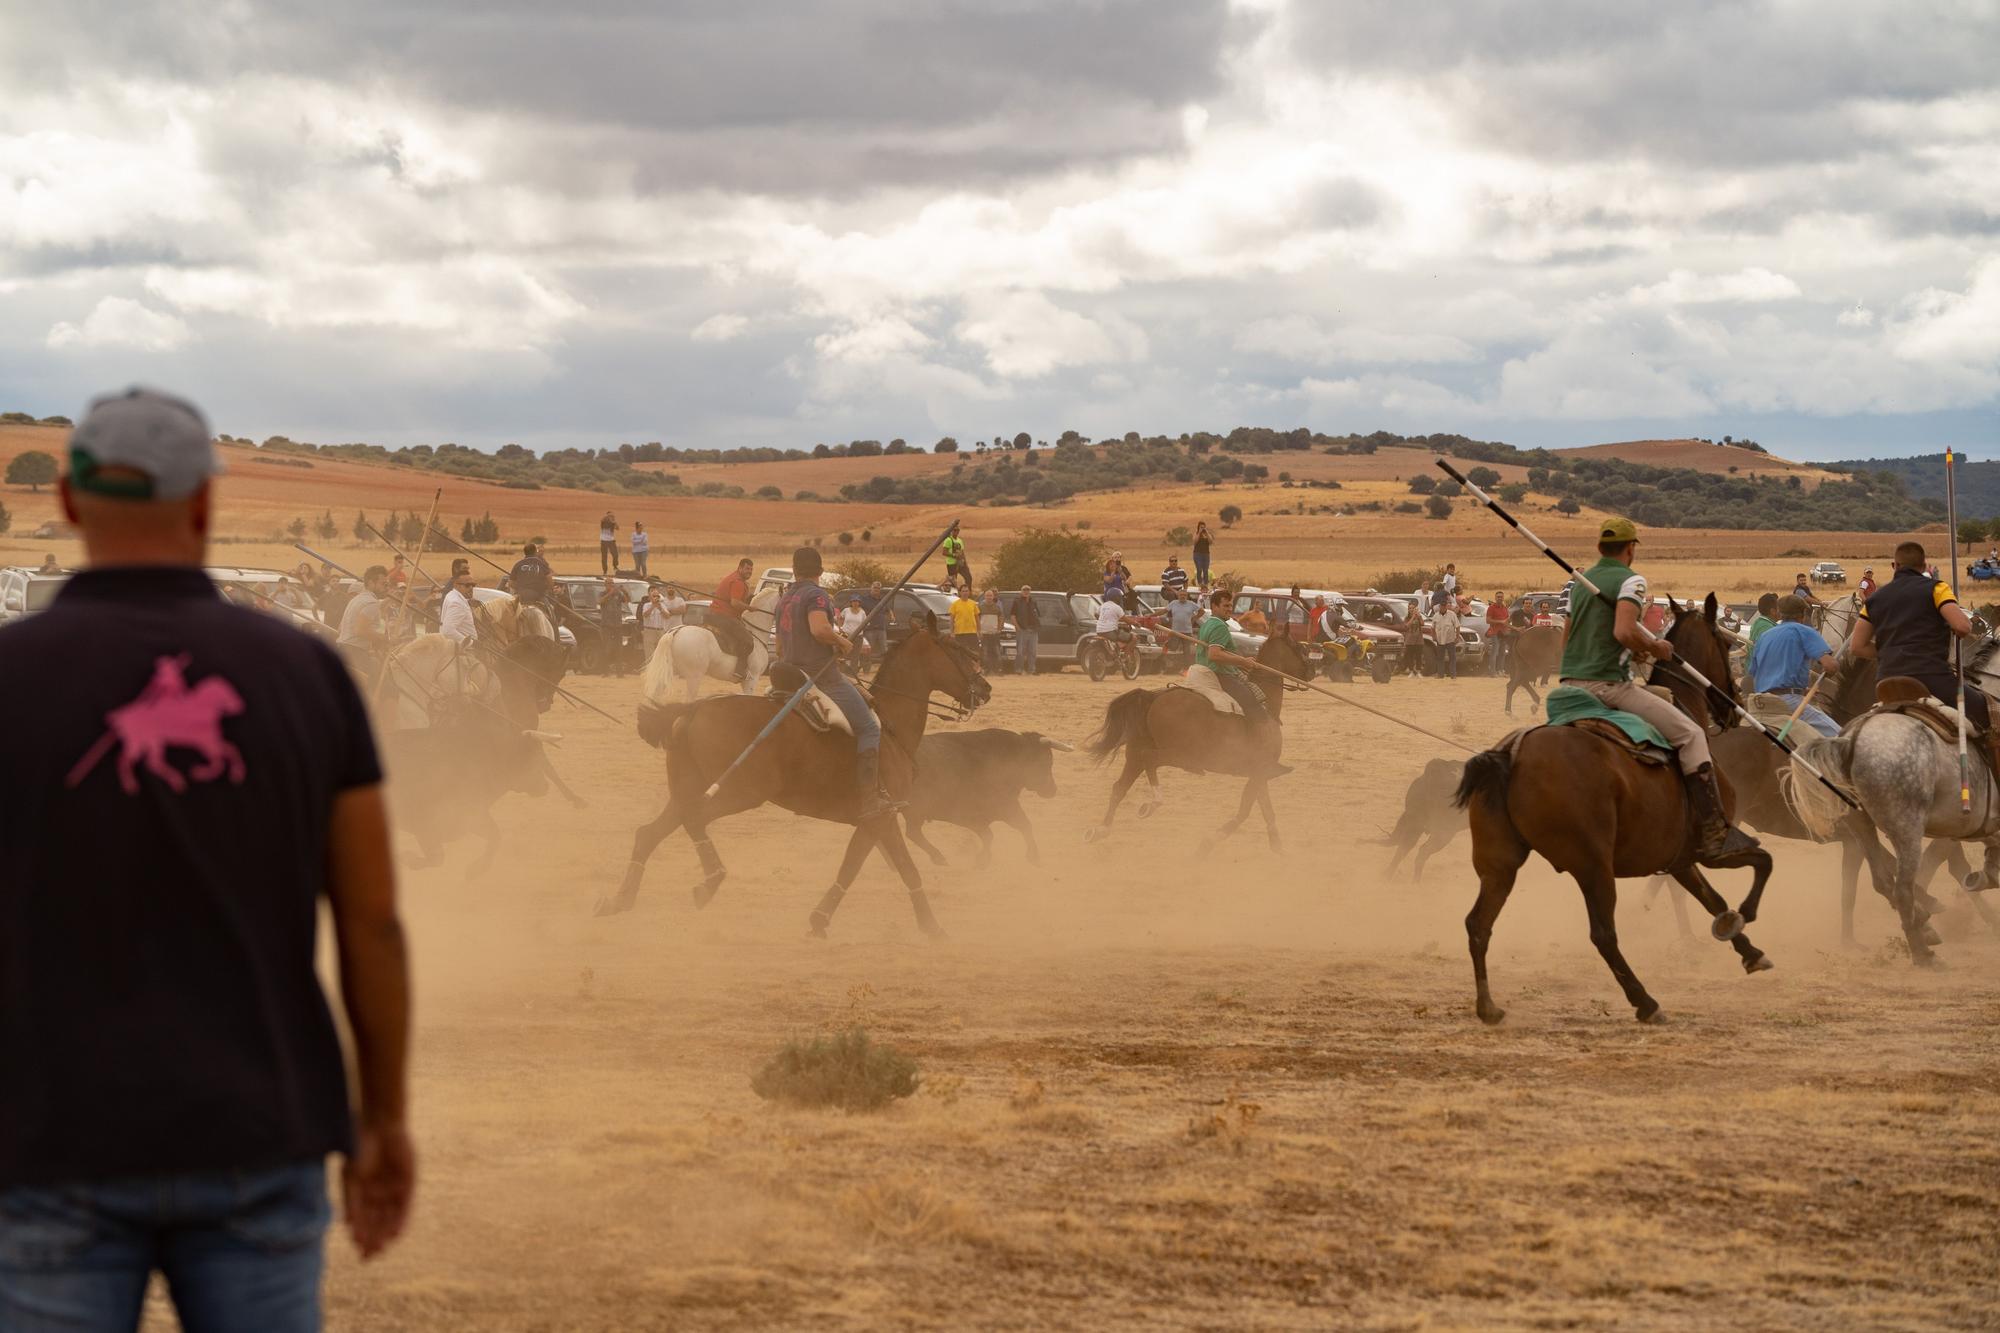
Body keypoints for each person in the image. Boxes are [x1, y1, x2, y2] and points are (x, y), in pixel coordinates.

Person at [0, 387, 413, 1328]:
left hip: (47, 1129)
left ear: (67, 501)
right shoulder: (304, 672)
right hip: (255, 1130)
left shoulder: (8, 675)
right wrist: (382, 1117)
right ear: (203, 502)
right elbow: (371, 920)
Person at [1559, 516, 1758, 861]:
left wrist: (1629, 648)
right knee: (1692, 734)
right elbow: (1623, 630)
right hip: (1609, 687)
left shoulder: (1580, 582)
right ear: (1631, 548)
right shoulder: (1631, 580)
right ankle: (1713, 830)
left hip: (1568, 688)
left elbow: (1569, 639)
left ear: (1598, 548)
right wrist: (1656, 648)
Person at [776, 546, 895, 817]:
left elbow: (782, 648)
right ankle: (869, 800)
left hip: (788, 673)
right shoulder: (816, 595)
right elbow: (819, 629)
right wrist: (842, 643)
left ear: (794, 570)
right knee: (869, 728)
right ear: (820, 571)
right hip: (821, 676)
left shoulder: (785, 598)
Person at [1851, 540, 1989, 734]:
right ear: (1924, 566)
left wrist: (1889, 652)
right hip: (1931, 678)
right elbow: (1962, 626)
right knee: (1986, 710)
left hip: (1887, 681)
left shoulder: (1874, 599)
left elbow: (1857, 647)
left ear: (1895, 566)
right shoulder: (1937, 588)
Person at [1748, 596, 1839, 738]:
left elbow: (1753, 673)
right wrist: (1834, 665)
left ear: (1780, 612)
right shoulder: (1804, 631)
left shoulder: (1764, 636)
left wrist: (1801, 689)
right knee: (1842, 738)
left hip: (1761, 702)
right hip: (1788, 702)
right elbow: (1830, 666)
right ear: (1802, 614)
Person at [708, 557, 757, 683]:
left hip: (715, 614)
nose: (749, 571)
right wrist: (749, 608)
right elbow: (735, 603)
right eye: (747, 568)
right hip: (724, 616)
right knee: (748, 641)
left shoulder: (734, 578)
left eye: (751, 570)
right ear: (740, 568)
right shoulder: (737, 582)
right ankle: (739, 671)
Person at [598, 575, 630, 676]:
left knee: (619, 648)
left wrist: (624, 591)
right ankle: (605, 671)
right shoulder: (602, 593)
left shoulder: (618, 594)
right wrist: (610, 593)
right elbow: (600, 602)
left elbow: (627, 600)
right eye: (609, 583)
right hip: (606, 625)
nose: (611, 585)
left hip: (617, 624)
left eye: (612, 583)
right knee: (606, 648)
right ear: (605, 585)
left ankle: (619, 672)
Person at [507, 541, 553, 610]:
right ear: (535, 552)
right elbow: (549, 579)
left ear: (524, 552)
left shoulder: (518, 564)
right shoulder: (542, 563)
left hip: (521, 596)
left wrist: (520, 587)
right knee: (550, 609)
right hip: (539, 596)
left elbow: (510, 583)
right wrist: (549, 590)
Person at [439, 564, 478, 644]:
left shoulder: (452, 595)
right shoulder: (457, 603)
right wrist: (470, 643)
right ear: (456, 585)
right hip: (463, 650)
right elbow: (447, 631)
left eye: (473, 585)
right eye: (467, 585)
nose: (471, 588)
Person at [1009, 585, 1040, 675]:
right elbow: (1012, 615)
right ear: (1021, 591)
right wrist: (1017, 627)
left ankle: (1032, 670)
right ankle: (1019, 669)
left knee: (1033, 651)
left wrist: (1037, 626)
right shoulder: (1017, 601)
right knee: (1020, 652)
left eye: (1028, 590)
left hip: (1033, 630)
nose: (1026, 592)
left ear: (1030, 591)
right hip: (1022, 630)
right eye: (1024, 590)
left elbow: (1037, 614)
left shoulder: (1033, 601)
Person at [838, 595, 870, 668]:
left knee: (855, 655)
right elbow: (839, 618)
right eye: (854, 601)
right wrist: (840, 628)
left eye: (857, 601)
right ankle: (843, 670)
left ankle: (853, 672)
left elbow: (866, 623)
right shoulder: (846, 610)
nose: (855, 603)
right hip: (846, 635)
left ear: (859, 603)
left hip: (858, 637)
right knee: (844, 654)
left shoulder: (862, 612)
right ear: (851, 602)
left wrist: (861, 630)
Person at [1433, 599, 1463, 679]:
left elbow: (1457, 626)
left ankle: (1453, 675)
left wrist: (1457, 637)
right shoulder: (1435, 615)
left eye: (1444, 606)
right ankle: (1440, 674)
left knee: (1452, 658)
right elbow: (1432, 627)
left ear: (1446, 606)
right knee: (1440, 658)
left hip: (1450, 640)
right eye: (1441, 606)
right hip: (1440, 640)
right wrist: (1434, 636)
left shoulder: (1452, 614)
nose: (1442, 607)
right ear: (1439, 607)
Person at [949, 585, 981, 658]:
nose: (965, 593)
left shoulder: (973, 604)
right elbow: (951, 620)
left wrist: (979, 631)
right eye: (963, 591)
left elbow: (977, 619)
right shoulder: (955, 604)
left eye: (966, 591)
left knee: (975, 653)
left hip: (972, 633)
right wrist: (951, 632)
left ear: (969, 592)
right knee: (961, 654)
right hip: (959, 633)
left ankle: (976, 668)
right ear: (960, 592)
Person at [1485, 592, 1512, 676]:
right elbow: (1488, 620)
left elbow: (1507, 619)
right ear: (1495, 598)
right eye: (1498, 597)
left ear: (1503, 598)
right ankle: (1492, 672)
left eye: (1501, 597)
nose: (1500, 598)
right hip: (1495, 632)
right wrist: (1500, 621)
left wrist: (1508, 622)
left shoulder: (1504, 608)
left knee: (1502, 652)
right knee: (1495, 652)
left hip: (1503, 633)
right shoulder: (1491, 608)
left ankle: (1500, 670)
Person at [977, 589, 1004, 674]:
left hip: (994, 634)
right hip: (984, 634)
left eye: (990, 595)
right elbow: (977, 619)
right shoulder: (980, 607)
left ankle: (998, 670)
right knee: (985, 653)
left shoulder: (997, 607)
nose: (989, 597)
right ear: (984, 597)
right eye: (987, 595)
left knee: (997, 652)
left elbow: (1001, 618)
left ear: (993, 596)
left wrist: (999, 629)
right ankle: (986, 670)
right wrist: (979, 631)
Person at [1192, 522, 1212, 586]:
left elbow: (1211, 542)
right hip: (1197, 554)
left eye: (1204, 527)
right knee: (1199, 569)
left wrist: (1207, 533)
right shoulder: (1196, 533)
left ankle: (1206, 584)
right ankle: (1200, 583)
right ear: (1198, 527)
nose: (1202, 528)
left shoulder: (1206, 534)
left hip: (1206, 554)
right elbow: (1194, 541)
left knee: (1206, 570)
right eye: (1201, 527)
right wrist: (1199, 532)